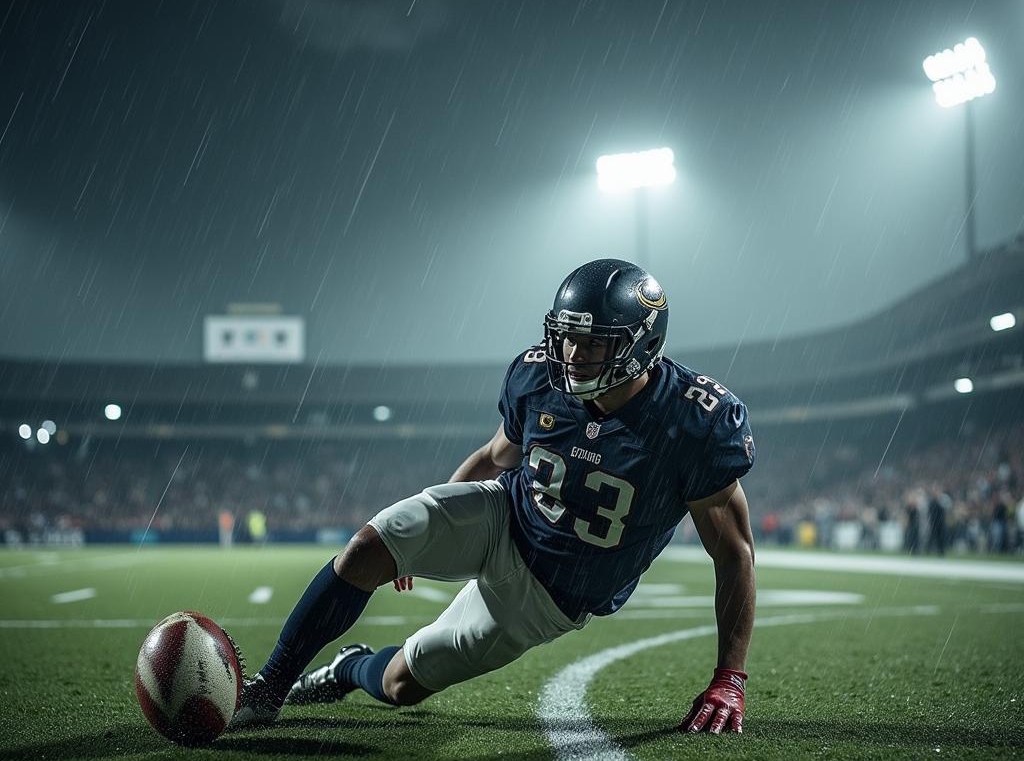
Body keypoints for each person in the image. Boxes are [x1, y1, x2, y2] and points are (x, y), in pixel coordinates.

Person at [231, 259, 757, 735]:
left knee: (399, 685)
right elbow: (495, 455)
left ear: (641, 343)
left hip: (548, 596)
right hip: (503, 513)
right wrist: (416, 540)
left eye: (593, 342)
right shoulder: (538, 378)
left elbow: (734, 554)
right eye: (566, 337)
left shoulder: (695, 420)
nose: (572, 355)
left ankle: (350, 665)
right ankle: (268, 687)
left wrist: (729, 677)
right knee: (371, 546)